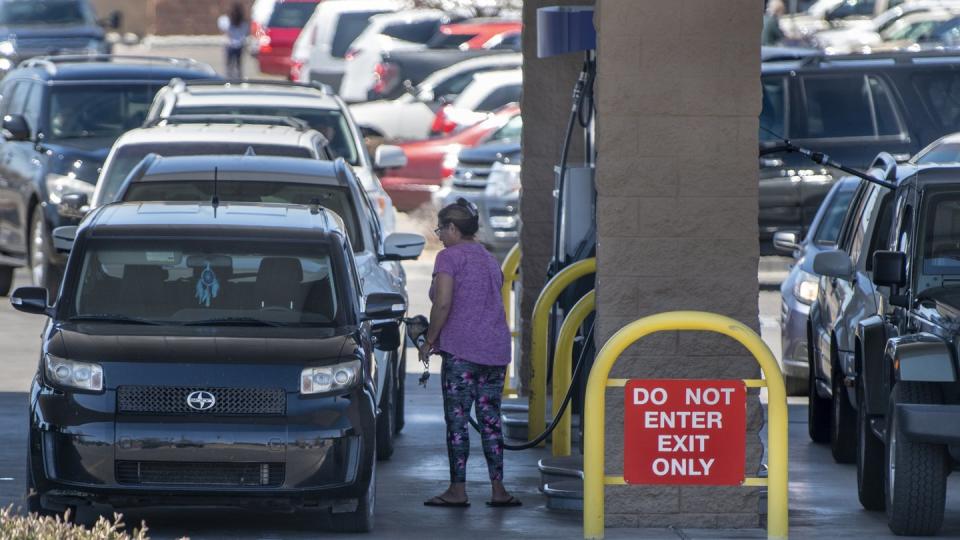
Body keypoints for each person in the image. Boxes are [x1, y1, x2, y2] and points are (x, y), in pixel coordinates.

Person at [421, 198, 521, 508]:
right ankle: (498, 490)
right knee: (490, 421)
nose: (439, 235)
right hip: (495, 351)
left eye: (441, 228)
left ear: (453, 228)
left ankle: (458, 490)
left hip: (462, 351)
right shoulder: (488, 258)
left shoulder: (449, 258)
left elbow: (443, 303)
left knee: (458, 421)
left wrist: (429, 339)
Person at [217, 2, 249, 79]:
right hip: (240, 45)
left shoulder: (227, 20)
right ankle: (239, 80)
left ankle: (228, 80)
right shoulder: (243, 22)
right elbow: (245, 33)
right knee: (239, 66)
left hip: (230, 45)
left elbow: (223, 31)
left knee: (229, 66)